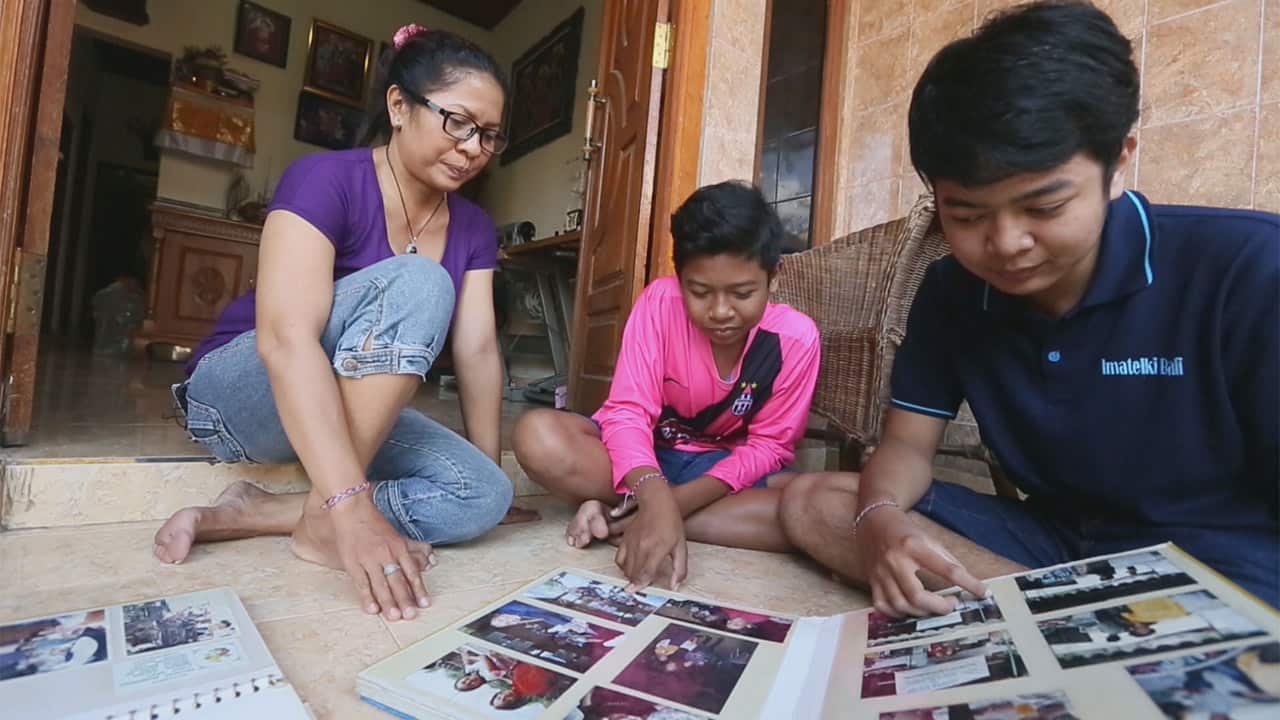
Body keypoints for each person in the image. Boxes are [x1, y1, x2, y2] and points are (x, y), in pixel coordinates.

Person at [778, 0, 1279, 616]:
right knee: (819, 504)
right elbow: (906, 447)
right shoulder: (952, 290)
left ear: (1119, 159)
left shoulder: (1250, 268)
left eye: (1043, 208)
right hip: (1058, 542)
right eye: (965, 215)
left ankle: (1083, 619)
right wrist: (882, 518)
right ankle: (1096, 619)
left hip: (1220, 560)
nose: (1006, 243)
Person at [152, 24, 519, 622]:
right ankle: (328, 516)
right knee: (422, 280)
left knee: (484, 496)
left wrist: (487, 462)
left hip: (343, 409)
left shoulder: (473, 226)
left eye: (489, 135)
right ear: (399, 106)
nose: (473, 146)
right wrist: (351, 506)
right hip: (242, 394)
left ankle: (258, 510)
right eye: (459, 122)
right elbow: (285, 339)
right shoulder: (325, 180)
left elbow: (477, 349)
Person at [513, 181, 830, 591]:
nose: (720, 312)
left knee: (811, 508)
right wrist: (652, 489)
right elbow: (628, 412)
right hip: (643, 459)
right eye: (699, 292)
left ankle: (620, 513)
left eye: (742, 293)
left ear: (773, 277)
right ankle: (642, 507)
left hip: (718, 473)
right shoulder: (660, 304)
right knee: (538, 435)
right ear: (679, 278)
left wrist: (670, 505)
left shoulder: (796, 339)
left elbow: (770, 446)